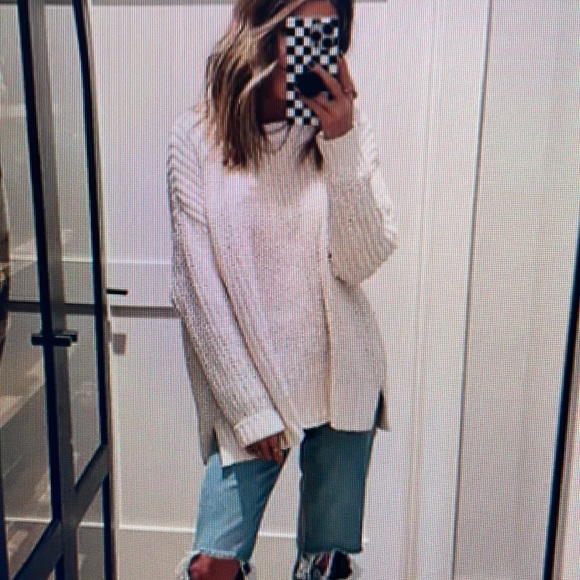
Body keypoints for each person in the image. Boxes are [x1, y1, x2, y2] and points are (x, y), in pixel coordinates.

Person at [168, 0, 397, 577]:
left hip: (342, 381)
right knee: (212, 566)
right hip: (253, 386)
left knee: (326, 563)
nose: (311, 46)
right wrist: (249, 408)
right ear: (262, 30)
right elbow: (198, 294)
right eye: (299, 28)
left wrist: (341, 141)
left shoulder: (343, 134)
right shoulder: (196, 139)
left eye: (327, 31)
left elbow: (360, 260)